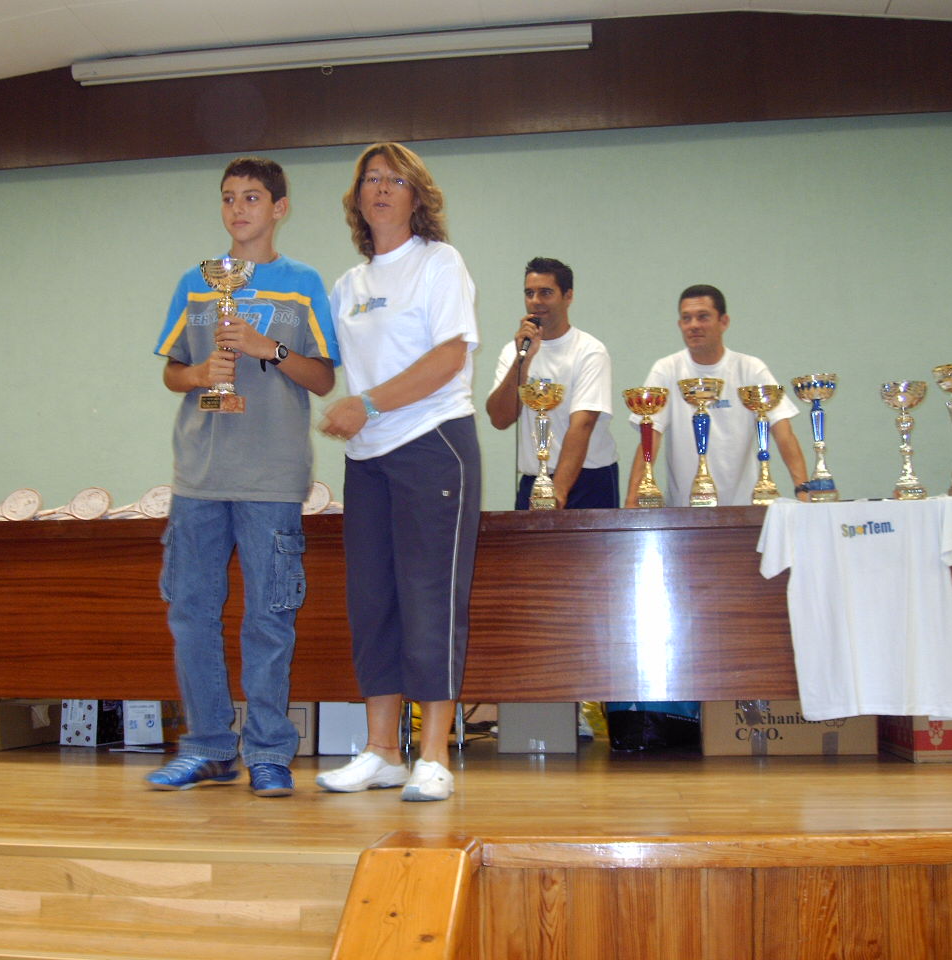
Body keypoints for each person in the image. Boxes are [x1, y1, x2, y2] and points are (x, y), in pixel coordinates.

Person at [147, 156, 338, 798]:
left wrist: (269, 349)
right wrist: (199, 375)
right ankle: (207, 746)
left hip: (271, 477)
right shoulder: (197, 282)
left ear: (279, 208)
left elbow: (324, 378)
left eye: (252, 197)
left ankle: (268, 752)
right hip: (198, 476)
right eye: (229, 197)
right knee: (191, 614)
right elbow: (172, 371)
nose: (238, 208)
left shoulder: (302, 283)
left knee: (269, 618)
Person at [316, 142, 481, 803]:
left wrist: (369, 404)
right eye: (371, 179)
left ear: (418, 196)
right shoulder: (347, 287)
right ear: (358, 197)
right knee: (373, 602)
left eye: (395, 180)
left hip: (433, 443)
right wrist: (258, 345)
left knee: (430, 597)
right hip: (368, 460)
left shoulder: (439, 263)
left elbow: (448, 358)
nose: (381, 188)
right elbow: (320, 366)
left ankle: (433, 755)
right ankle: (383, 751)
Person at [625, 284, 808, 507]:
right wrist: (631, 502)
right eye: (686, 318)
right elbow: (649, 437)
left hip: (746, 509)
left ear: (724, 322)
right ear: (680, 324)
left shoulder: (750, 369)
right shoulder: (666, 370)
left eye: (703, 317)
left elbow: (783, 432)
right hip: (684, 511)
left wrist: (803, 491)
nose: (694, 325)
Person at [486, 257, 618, 509]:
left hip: (587, 480)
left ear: (568, 296)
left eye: (546, 293)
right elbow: (500, 419)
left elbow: (583, 425)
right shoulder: (514, 352)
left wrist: (557, 494)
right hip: (534, 480)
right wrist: (522, 361)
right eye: (529, 293)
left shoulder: (589, 351)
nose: (536, 301)